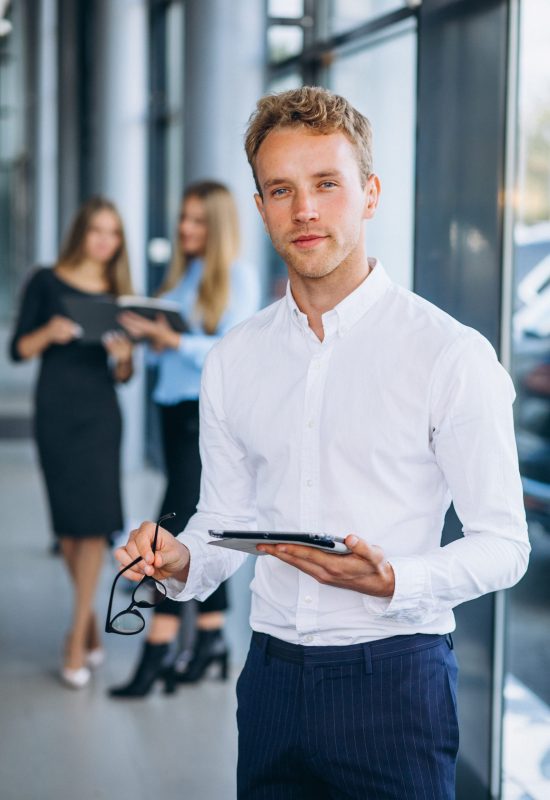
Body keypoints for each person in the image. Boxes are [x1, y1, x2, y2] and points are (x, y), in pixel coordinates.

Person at [114, 87, 530, 798]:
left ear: (369, 194)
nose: (304, 209)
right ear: (259, 208)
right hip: (271, 678)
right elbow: (224, 518)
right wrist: (182, 557)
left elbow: (505, 544)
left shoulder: (449, 355)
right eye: (281, 189)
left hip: (396, 680)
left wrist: (397, 578)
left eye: (326, 184)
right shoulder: (235, 358)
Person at [109, 180, 260, 698]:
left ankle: (158, 650)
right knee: (191, 520)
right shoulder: (180, 277)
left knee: (168, 529)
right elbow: (164, 356)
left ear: (216, 225)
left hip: (205, 417)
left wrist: (172, 338)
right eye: (183, 219)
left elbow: (234, 351)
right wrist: (139, 345)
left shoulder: (237, 278)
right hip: (172, 416)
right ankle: (213, 640)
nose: (185, 229)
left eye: (197, 220)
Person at [10, 196, 134, 689]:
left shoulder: (119, 292)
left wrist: (124, 357)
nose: (105, 241)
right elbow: (17, 349)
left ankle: (76, 635)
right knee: (68, 529)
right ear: (81, 232)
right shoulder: (45, 280)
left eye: (114, 233)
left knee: (95, 525)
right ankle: (88, 622)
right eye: (97, 230)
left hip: (101, 416)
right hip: (57, 414)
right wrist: (50, 331)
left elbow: (124, 374)